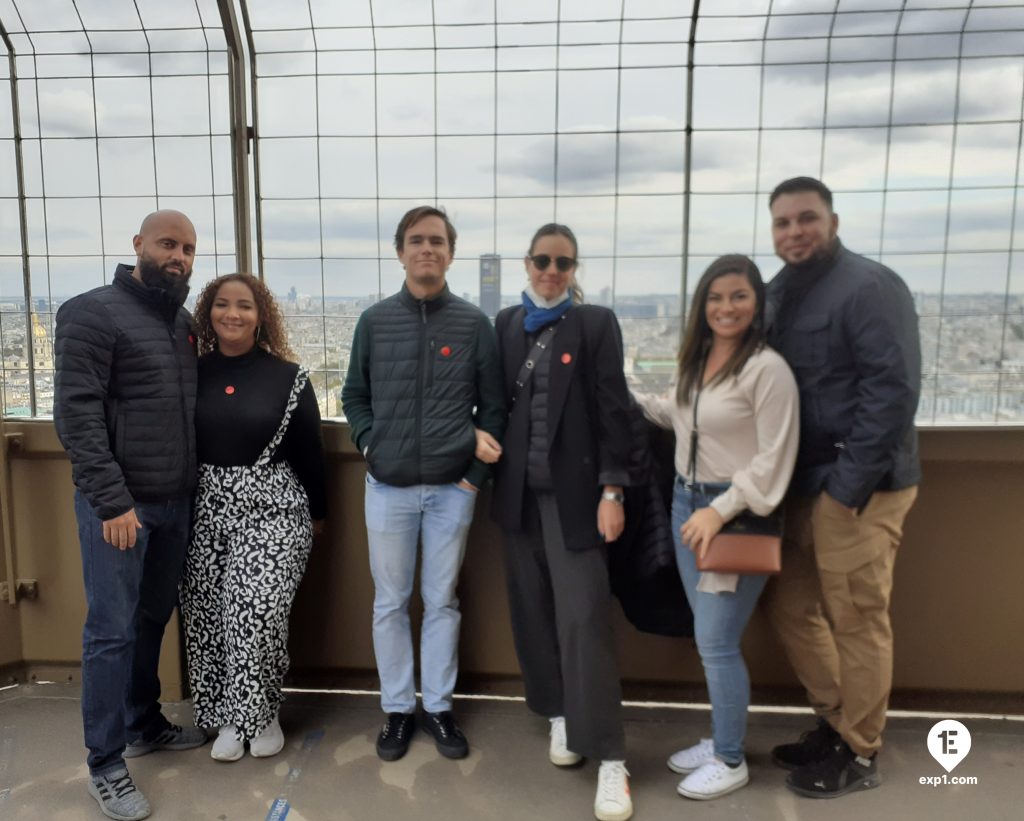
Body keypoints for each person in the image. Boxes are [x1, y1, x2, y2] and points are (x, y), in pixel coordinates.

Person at [760, 176, 921, 798]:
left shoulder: (870, 286)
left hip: (859, 486)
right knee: (790, 608)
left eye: (807, 218)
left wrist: (847, 490)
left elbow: (892, 392)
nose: (795, 231)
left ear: (833, 221)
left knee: (856, 617)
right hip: (801, 484)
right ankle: (835, 722)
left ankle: (860, 749)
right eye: (783, 222)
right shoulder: (779, 292)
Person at [54, 210, 207, 821]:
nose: (179, 257)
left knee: (149, 621)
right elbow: (77, 415)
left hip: (174, 502)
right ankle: (105, 763)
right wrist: (113, 501)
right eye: (168, 244)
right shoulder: (92, 312)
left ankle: (144, 722)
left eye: (189, 248)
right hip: (122, 507)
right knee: (111, 631)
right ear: (138, 244)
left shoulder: (182, 323)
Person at [341, 206, 505, 762]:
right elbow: (354, 395)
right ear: (400, 252)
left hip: (451, 489)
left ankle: (437, 706)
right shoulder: (374, 321)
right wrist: (371, 445)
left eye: (436, 240)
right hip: (387, 487)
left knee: (442, 601)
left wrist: (473, 479)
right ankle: (396, 710)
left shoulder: (473, 325)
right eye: (416, 240)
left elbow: (494, 408)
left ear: (450, 253)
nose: (426, 249)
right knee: (390, 603)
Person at [482, 223, 634, 821]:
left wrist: (613, 490)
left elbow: (615, 411)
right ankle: (559, 715)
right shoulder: (506, 324)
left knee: (584, 618)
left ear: (574, 269)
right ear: (527, 263)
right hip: (518, 497)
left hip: (577, 499)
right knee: (532, 612)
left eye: (563, 262)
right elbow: (490, 400)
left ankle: (612, 757)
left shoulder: (594, 324)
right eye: (542, 260)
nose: (551, 271)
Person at [635, 255, 799, 801]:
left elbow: (773, 461)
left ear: (757, 303)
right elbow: (678, 416)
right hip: (687, 506)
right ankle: (722, 739)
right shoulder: (699, 359)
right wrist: (622, 394)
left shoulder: (768, 370)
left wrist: (719, 510)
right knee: (711, 639)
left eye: (739, 296)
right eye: (716, 297)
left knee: (717, 642)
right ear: (701, 305)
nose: (726, 307)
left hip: (733, 517)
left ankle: (730, 759)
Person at [179, 273, 327, 762]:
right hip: (204, 511)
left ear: (262, 315)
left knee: (256, 613)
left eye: (244, 305)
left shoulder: (290, 377)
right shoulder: (190, 372)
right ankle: (227, 718)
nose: (233, 314)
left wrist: (318, 514)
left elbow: (310, 453)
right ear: (208, 313)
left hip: (274, 510)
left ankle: (261, 714)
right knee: (208, 617)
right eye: (222, 304)